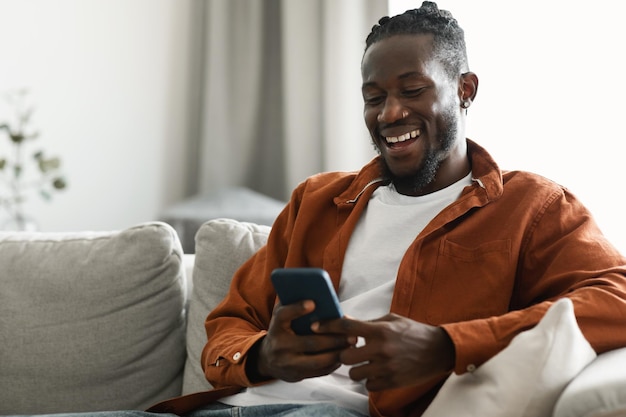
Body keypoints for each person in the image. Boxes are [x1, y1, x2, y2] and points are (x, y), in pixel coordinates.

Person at [12, 2, 626, 417]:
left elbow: (616, 298)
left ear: (465, 91)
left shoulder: (532, 207)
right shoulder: (317, 201)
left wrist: (446, 345)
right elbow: (229, 322)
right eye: (374, 96)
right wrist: (263, 355)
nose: (389, 114)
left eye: (412, 90)